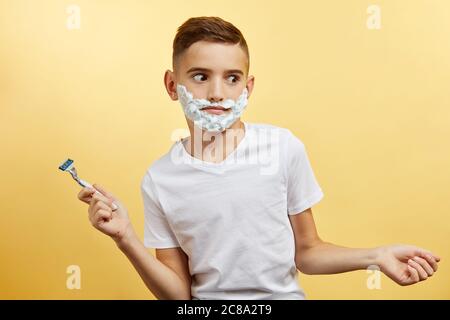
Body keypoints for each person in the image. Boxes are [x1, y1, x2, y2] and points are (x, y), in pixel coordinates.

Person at [77, 16, 440, 300]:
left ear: (247, 88)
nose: (217, 93)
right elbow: (179, 294)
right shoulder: (160, 179)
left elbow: (308, 253)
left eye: (232, 78)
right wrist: (125, 238)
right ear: (173, 85)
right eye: (200, 76)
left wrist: (376, 256)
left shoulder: (282, 148)